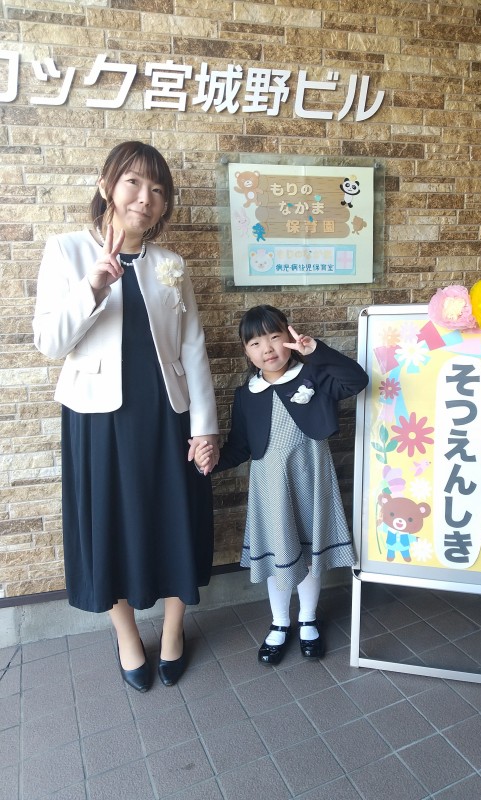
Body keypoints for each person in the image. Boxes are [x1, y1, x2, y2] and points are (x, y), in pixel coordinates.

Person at [32, 141, 219, 692]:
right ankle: (128, 637)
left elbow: (193, 347)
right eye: (134, 182)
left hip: (167, 415)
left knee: (178, 517)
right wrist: (94, 285)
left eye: (158, 189)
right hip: (98, 419)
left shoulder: (171, 265)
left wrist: (205, 425)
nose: (145, 197)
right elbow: (50, 342)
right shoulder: (67, 251)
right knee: (109, 522)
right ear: (106, 186)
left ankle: (174, 630)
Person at [194, 305, 368, 664]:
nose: (267, 348)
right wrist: (209, 462)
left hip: (311, 479)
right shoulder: (247, 394)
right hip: (270, 487)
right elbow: (240, 446)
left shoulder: (314, 375)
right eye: (255, 343)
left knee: (309, 554)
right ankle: (279, 622)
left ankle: (308, 619)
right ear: (246, 351)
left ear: (290, 337)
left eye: (275, 337)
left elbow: (356, 381)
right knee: (279, 553)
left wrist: (315, 351)